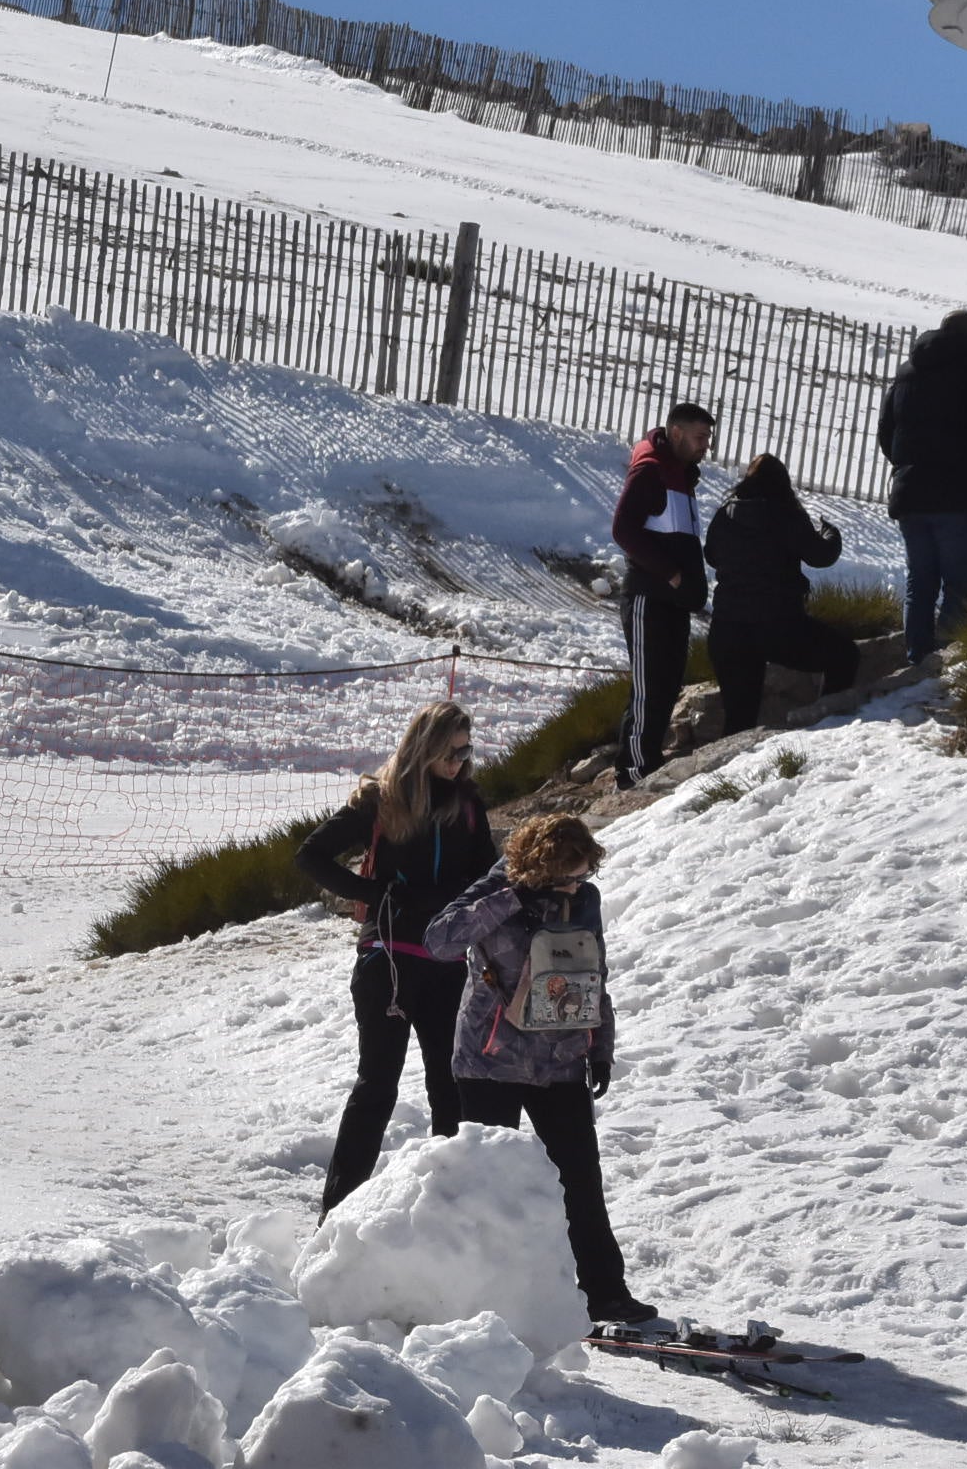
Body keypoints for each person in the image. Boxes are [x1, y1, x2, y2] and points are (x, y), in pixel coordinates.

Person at [425, 814, 657, 1330]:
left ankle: (604, 1293)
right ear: (536, 867)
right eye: (564, 877)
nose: (575, 886)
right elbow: (439, 939)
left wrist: (600, 1048)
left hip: (562, 1060)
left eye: (581, 875)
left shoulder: (586, 899)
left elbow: (593, 973)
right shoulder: (499, 887)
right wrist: (511, 899)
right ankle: (477, 1296)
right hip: (490, 1061)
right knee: (488, 1184)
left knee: (580, 1179)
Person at [296, 701, 500, 1213]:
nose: (460, 761)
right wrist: (370, 890)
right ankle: (335, 1216)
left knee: (450, 1087)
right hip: (384, 962)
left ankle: (448, 1212)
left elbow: (489, 876)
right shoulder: (379, 799)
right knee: (376, 1087)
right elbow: (311, 855)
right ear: (425, 747)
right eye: (451, 751)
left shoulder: (468, 803)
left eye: (466, 750)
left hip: (447, 965)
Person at [876, 310, 967, 661]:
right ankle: (945, 660)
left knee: (919, 583)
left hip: (910, 491)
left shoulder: (907, 372)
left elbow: (885, 431)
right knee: (958, 585)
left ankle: (916, 657)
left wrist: (906, 464)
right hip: (958, 492)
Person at [705, 452, 860, 727]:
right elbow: (821, 555)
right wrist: (830, 533)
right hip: (778, 627)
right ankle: (828, 727)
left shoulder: (725, 514)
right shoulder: (785, 515)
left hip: (727, 629)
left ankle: (726, 767)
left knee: (739, 719)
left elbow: (711, 555)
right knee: (844, 656)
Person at [611, 401, 713, 786]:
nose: (706, 445)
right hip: (648, 597)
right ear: (676, 433)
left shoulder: (682, 475)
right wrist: (671, 576)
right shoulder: (651, 471)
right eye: (700, 437)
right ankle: (634, 772)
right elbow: (624, 530)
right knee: (648, 688)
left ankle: (647, 763)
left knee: (667, 683)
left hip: (674, 602)